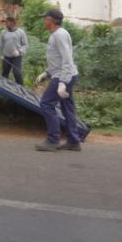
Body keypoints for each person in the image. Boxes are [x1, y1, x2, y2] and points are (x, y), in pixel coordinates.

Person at [35, 9, 82, 152]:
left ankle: (53, 139)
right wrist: (47, 73)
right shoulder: (58, 34)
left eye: (45, 18)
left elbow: (67, 59)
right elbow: (58, 59)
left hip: (64, 76)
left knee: (46, 103)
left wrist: (63, 82)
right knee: (68, 108)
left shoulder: (59, 35)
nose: (44, 21)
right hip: (65, 74)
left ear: (52, 20)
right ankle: (74, 141)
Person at [0, 16, 28, 85]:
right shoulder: (3, 32)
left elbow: (25, 45)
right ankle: (3, 88)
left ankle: (21, 89)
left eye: (7, 22)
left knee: (17, 73)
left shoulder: (21, 32)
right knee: (5, 73)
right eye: (5, 22)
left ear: (13, 23)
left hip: (17, 57)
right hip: (7, 57)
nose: (6, 24)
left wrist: (19, 51)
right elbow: (0, 45)